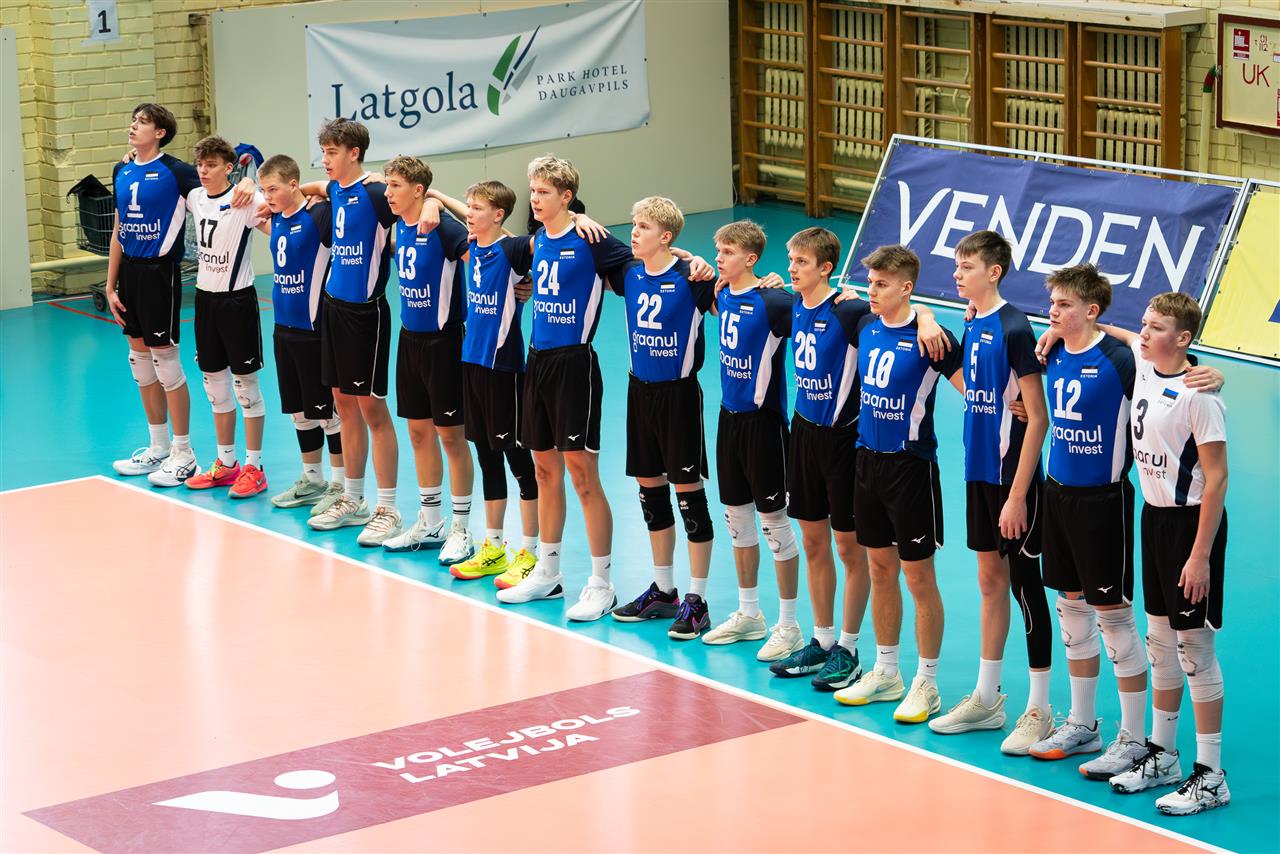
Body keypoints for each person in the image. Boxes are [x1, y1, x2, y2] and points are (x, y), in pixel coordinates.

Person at [1045, 294, 1230, 815]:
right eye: (1145, 324)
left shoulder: (1201, 396)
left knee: (1194, 649)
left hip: (1191, 526)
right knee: (1160, 642)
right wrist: (1059, 331)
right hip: (1154, 519)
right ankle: (1163, 754)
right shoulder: (1145, 365)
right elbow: (1120, 335)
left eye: (1157, 327)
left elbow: (1217, 479)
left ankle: (1212, 775)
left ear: (1184, 339)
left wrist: (1200, 556)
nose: (1144, 333)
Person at [769, 230, 947, 694]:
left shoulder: (852, 313)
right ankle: (823, 640)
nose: (792, 268)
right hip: (804, 432)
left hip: (851, 445)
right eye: (790, 259)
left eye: (801, 261)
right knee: (814, 541)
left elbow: (908, 316)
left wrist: (928, 315)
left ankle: (849, 650)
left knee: (854, 551)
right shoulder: (794, 304)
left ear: (825, 268)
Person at [926, 230, 1055, 753]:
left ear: (993, 272)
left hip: (1011, 479)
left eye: (967, 267)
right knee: (988, 580)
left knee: (1026, 588)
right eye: (957, 265)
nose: (957, 274)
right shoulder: (973, 320)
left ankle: (1040, 709)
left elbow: (1038, 417)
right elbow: (977, 388)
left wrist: (1019, 496)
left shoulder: (1015, 327)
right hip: (977, 470)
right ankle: (986, 698)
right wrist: (928, 320)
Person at [495, 155, 636, 621]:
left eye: (544, 193)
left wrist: (690, 260)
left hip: (575, 365)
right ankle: (548, 572)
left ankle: (601, 583)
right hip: (537, 361)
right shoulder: (536, 241)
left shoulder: (593, 240)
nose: (535, 200)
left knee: (582, 474)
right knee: (543, 469)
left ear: (567, 197)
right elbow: (485, 232)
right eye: (533, 191)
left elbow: (645, 263)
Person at [1024, 263, 1150, 776]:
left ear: (1091, 310)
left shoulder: (1120, 359)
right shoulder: (1052, 352)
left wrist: (1212, 372)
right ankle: (1082, 724)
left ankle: (1134, 739)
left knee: (1113, 617)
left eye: (1064, 305)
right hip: (1058, 496)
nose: (1052, 312)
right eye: (1052, 303)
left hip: (1104, 502)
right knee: (1071, 609)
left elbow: (1176, 362)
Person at [830, 245, 961, 723]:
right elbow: (809, 297)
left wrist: (927, 317)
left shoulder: (933, 340)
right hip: (867, 461)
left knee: (919, 578)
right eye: (870, 282)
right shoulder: (865, 323)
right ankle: (887, 671)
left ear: (906, 288)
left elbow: (975, 391)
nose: (872, 290)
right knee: (879, 568)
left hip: (911, 468)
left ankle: (927, 683)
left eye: (882, 284)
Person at [105, 103, 251, 487]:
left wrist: (248, 184)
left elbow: (217, 188)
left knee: (165, 362)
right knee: (139, 362)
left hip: (160, 274)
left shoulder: (178, 171)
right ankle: (158, 446)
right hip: (129, 273)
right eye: (133, 120)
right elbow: (119, 228)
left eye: (142, 122)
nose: (133, 126)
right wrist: (110, 283)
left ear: (160, 133)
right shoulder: (122, 169)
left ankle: (184, 453)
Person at [605, 197, 717, 640]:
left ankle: (697, 599)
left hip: (679, 396)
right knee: (650, 491)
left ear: (666, 237)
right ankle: (664, 590)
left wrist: (707, 265)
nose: (634, 232)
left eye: (644, 226)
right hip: (640, 392)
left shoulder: (693, 278)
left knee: (689, 496)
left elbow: (738, 293)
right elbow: (583, 240)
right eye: (634, 224)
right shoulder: (628, 273)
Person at [699, 220, 803, 661]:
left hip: (765, 425)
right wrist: (693, 259)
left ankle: (789, 625)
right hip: (729, 420)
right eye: (718, 250)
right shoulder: (722, 292)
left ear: (752, 259)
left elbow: (821, 313)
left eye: (728, 252)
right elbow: (682, 264)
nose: (719, 258)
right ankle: (749, 614)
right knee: (736, 518)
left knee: (773, 521)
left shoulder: (774, 301)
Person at [428, 180, 541, 584]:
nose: (469, 214)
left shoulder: (512, 250)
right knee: (488, 458)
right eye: (469, 207)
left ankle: (532, 552)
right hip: (471, 364)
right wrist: (436, 197)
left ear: (498, 215)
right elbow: (464, 216)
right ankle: (493, 548)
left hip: (503, 369)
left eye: (478, 209)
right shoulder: (474, 246)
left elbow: (545, 240)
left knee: (518, 461)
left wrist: (577, 219)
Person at [304, 119, 403, 546]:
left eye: (332, 152)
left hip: (366, 315)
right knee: (343, 404)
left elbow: (418, 202)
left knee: (372, 410)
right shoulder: (334, 189)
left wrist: (431, 205)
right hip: (333, 308)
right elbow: (316, 187)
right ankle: (353, 498)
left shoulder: (379, 193)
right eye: (324, 152)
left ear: (354, 153)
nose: (325, 159)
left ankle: (389, 508)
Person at [373, 156, 475, 564]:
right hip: (409, 340)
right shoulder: (399, 225)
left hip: (444, 342)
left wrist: (438, 200)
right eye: (387, 184)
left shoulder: (446, 229)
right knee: (418, 432)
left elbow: (485, 257)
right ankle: (430, 522)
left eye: (395, 185)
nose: (388, 192)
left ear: (418, 190)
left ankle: (461, 528)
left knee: (451, 436)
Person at [179, 135, 270, 498]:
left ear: (229, 168)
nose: (203, 171)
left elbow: (281, 218)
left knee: (246, 387)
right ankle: (226, 463)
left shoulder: (246, 200)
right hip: (205, 302)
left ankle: (255, 467)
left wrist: (254, 184)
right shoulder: (194, 197)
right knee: (214, 386)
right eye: (200, 164)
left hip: (238, 302)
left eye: (212, 165)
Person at [256, 155, 346, 515]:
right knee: (299, 411)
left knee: (328, 413)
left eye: (273, 189)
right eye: (264, 190)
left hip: (314, 330)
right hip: (283, 329)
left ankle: (340, 485)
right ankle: (312, 479)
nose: (267, 196)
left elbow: (340, 192)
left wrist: (312, 189)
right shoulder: (277, 216)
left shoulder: (319, 215)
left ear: (293, 184)